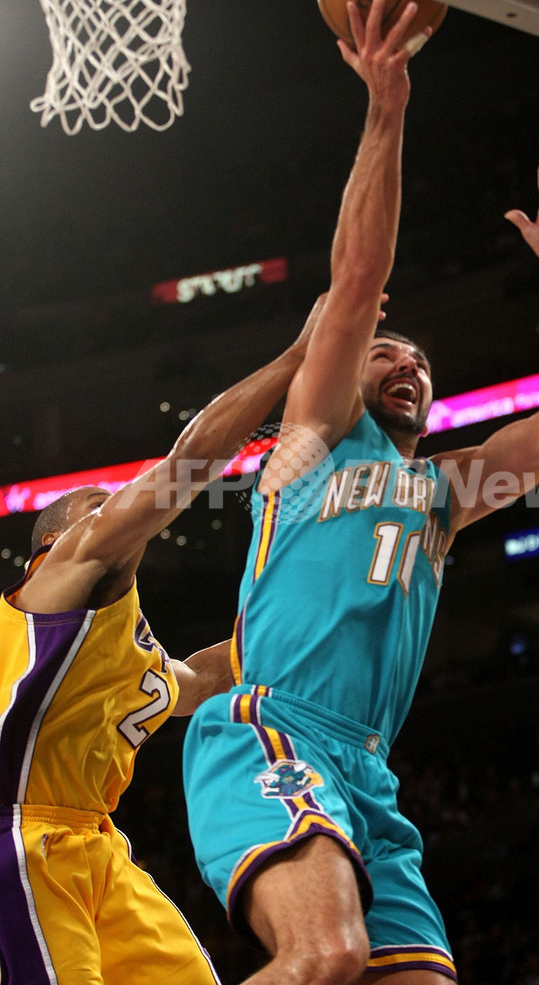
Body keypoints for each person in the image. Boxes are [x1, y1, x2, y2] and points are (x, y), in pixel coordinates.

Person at [183, 0, 539, 985]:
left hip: (369, 771)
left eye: (420, 360)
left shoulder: (443, 492)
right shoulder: (314, 439)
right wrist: (387, 104)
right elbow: (359, 275)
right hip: (275, 725)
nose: (407, 362)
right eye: (387, 351)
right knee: (326, 954)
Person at [0, 296, 324, 985]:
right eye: (100, 505)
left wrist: (310, 611)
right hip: (20, 837)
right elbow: (189, 462)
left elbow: (202, 681)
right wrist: (296, 360)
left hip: (95, 843)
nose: (118, 511)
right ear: (55, 540)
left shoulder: (120, 646)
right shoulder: (54, 580)